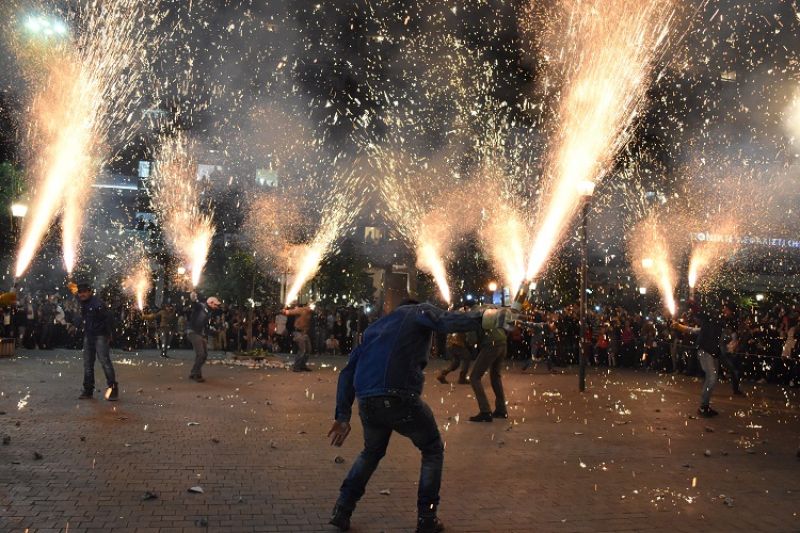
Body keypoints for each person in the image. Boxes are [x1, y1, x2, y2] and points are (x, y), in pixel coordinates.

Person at [327, 300, 513, 533]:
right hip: (400, 396)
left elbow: (347, 373)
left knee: (371, 452)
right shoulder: (415, 311)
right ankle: (427, 517)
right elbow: (446, 321)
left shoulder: (374, 329)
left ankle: (342, 509)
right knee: (433, 449)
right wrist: (488, 317)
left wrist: (343, 416)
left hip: (368, 400)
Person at [672, 299, 736, 417]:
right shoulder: (714, 318)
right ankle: (703, 407)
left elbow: (697, 330)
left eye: (728, 310)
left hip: (713, 354)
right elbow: (700, 314)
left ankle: (705, 406)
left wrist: (681, 326)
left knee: (712, 378)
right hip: (705, 351)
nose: (726, 312)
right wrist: (692, 305)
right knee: (712, 378)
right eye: (726, 309)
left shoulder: (720, 323)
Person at [68, 282, 118, 401]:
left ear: (90, 292)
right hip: (89, 335)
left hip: (100, 336)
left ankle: (113, 389)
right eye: (80, 292)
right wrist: (72, 288)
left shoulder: (98, 304)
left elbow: (109, 318)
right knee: (88, 364)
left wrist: (109, 334)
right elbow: (77, 296)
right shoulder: (84, 301)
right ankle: (88, 390)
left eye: (84, 292)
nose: (82, 294)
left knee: (105, 362)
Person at [468, 317, 508, 422]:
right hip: (502, 342)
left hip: (491, 344)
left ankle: (485, 411)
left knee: (474, 377)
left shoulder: (470, 316)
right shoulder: (483, 311)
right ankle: (501, 410)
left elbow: (472, 340)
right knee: (495, 376)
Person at [186, 296, 222, 382]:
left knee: (204, 355)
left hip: (200, 333)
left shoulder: (208, 312)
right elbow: (195, 305)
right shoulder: (201, 306)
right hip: (193, 332)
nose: (217, 307)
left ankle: (195, 372)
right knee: (201, 354)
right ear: (211, 303)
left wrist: (212, 332)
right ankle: (195, 373)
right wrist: (193, 299)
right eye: (216, 305)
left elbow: (205, 326)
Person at [284, 304, 313, 371]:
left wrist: (305, 332)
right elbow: (291, 312)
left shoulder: (310, 313)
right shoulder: (301, 310)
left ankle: (302, 365)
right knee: (302, 350)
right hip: (297, 332)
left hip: (304, 333)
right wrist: (286, 311)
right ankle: (296, 366)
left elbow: (307, 324)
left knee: (308, 349)